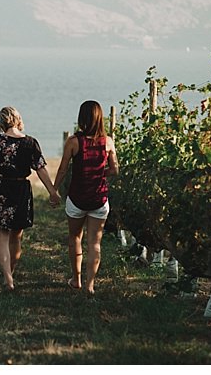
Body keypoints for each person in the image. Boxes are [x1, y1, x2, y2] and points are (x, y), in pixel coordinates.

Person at [0, 106, 61, 291]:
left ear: (0, 122)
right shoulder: (31, 143)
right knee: (16, 238)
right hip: (21, 190)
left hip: (1, 188)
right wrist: (52, 191)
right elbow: (40, 168)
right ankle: (10, 273)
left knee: (1, 238)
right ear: (18, 120)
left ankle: (8, 279)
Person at [53, 100, 119, 295]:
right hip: (99, 199)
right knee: (95, 243)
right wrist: (100, 174)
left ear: (81, 118)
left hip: (77, 198)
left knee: (75, 238)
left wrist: (54, 190)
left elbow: (63, 169)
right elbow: (115, 170)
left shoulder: (74, 142)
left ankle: (77, 279)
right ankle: (90, 285)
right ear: (100, 118)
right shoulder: (107, 141)